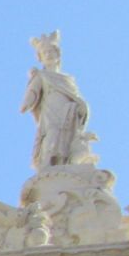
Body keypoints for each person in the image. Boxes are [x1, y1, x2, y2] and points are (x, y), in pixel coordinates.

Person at [20, 30, 91, 168]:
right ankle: (48, 164)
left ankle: (65, 162)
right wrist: (26, 103)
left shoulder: (68, 79)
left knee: (66, 137)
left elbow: (74, 95)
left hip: (68, 111)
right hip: (50, 109)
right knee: (52, 133)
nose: (49, 54)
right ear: (40, 57)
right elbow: (33, 91)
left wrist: (81, 105)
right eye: (45, 52)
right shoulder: (41, 75)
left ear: (58, 54)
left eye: (51, 51)